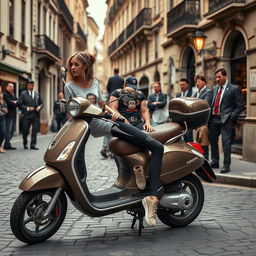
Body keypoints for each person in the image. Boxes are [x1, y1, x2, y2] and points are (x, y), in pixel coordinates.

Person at [64, 51, 163, 227]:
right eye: (71, 64)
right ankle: (138, 173)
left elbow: (103, 106)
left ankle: (152, 197)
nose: (72, 68)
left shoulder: (94, 83)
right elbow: (71, 111)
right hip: (84, 127)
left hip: (108, 123)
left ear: (85, 66)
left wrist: (116, 115)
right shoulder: (69, 86)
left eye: (76, 64)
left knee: (157, 147)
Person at [208, 68, 244, 173]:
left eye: (219, 77)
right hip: (213, 118)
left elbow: (240, 106)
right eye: (216, 77)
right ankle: (215, 161)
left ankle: (226, 165)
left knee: (226, 142)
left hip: (226, 119)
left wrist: (232, 116)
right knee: (213, 141)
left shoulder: (234, 88)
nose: (217, 79)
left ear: (225, 76)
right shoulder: (215, 89)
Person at [101, 68, 124, 158]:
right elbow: (123, 89)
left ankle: (105, 146)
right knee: (116, 125)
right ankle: (111, 150)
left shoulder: (111, 78)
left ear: (114, 71)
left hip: (110, 101)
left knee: (108, 123)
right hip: (118, 102)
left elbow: (107, 88)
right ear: (118, 71)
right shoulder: (122, 79)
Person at [18, 79, 44, 150]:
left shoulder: (37, 94)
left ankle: (33, 144)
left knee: (35, 130)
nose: (31, 86)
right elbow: (20, 104)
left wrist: (39, 107)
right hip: (26, 115)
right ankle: (25, 143)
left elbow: (41, 103)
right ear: (27, 86)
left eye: (32, 85)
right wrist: (28, 108)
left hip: (35, 115)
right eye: (29, 85)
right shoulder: (23, 94)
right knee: (25, 130)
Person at [192, 75, 213, 160]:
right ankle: (200, 159)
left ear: (204, 82)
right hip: (196, 122)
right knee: (198, 142)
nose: (197, 83)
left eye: (199, 81)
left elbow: (205, 105)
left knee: (204, 141)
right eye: (196, 81)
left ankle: (206, 159)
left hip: (204, 122)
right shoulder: (195, 93)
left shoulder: (208, 92)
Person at [176, 78, 193, 142]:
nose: (182, 86)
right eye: (180, 85)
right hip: (180, 120)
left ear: (188, 85)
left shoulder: (192, 94)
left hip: (188, 120)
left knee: (189, 138)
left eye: (183, 84)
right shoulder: (178, 95)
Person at [3, 82, 18, 150]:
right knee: (8, 131)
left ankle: (7, 143)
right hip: (8, 116)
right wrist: (14, 102)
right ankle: (7, 144)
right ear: (6, 87)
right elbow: (11, 104)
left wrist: (15, 102)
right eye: (10, 86)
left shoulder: (13, 94)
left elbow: (19, 102)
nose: (12, 88)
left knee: (12, 131)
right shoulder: (5, 94)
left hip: (14, 115)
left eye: (12, 86)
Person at [0, 85, 8, 153]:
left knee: (3, 132)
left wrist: (1, 100)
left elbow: (5, 108)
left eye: (0, 88)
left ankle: (0, 146)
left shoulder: (3, 98)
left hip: (2, 117)